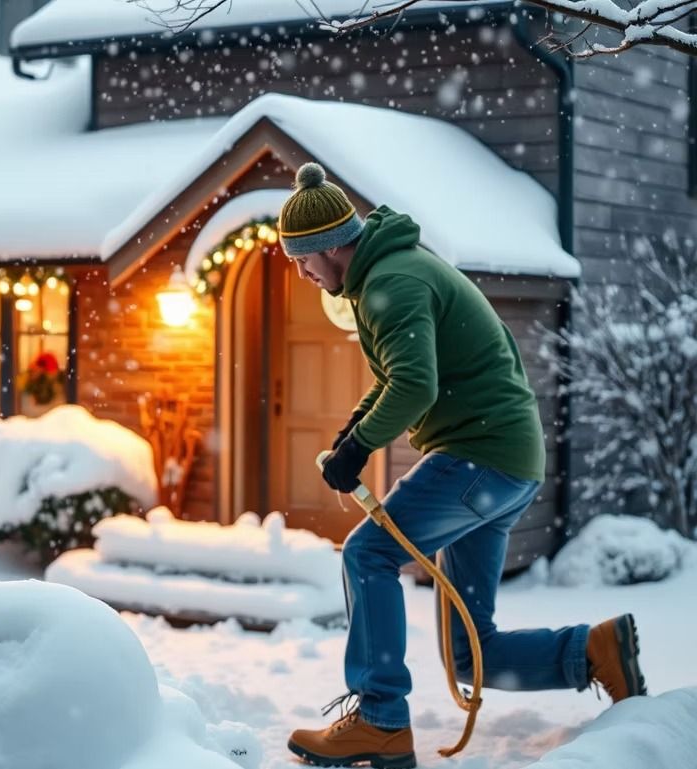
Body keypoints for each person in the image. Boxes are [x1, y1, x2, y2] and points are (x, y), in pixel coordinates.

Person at [277, 162, 647, 769]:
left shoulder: (390, 285)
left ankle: (379, 720)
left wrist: (361, 447)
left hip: (478, 456)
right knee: (470, 651)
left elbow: (415, 387)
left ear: (329, 246)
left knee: (367, 554)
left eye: (301, 259)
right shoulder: (395, 270)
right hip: (509, 465)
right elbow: (399, 377)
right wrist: (352, 433)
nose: (301, 272)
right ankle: (595, 653)